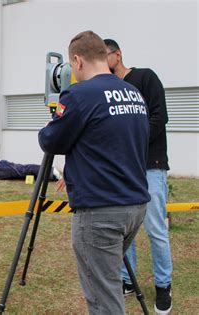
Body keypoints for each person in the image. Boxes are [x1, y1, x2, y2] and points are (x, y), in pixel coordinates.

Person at [39, 30, 150, 314]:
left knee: (104, 300)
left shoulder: (80, 94)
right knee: (108, 281)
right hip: (135, 205)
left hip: (100, 211)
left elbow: (52, 140)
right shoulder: (133, 93)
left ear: (77, 60)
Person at [105, 38, 173, 314]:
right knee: (124, 229)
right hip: (124, 169)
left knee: (155, 228)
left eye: (104, 55)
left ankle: (163, 286)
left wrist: (131, 140)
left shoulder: (146, 78)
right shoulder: (110, 90)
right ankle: (126, 280)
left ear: (117, 55)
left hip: (151, 165)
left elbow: (160, 117)